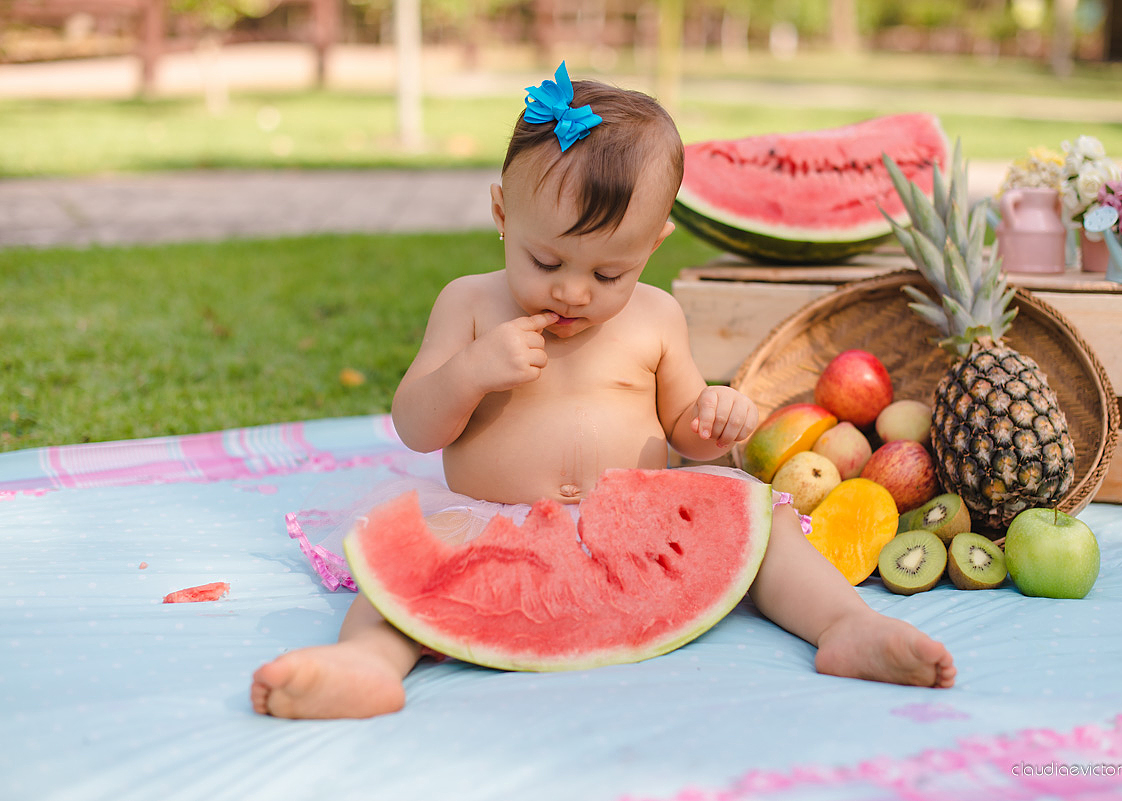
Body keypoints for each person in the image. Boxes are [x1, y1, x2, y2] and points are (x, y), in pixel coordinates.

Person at [251, 63, 955, 720]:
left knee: (763, 530)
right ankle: (368, 661)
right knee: (413, 564)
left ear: (653, 245)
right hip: (491, 520)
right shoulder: (468, 304)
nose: (572, 291)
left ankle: (847, 626)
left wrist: (713, 417)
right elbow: (415, 425)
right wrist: (471, 371)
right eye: (546, 260)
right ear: (502, 214)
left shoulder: (657, 317)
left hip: (639, 527)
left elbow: (684, 429)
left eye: (607, 274)